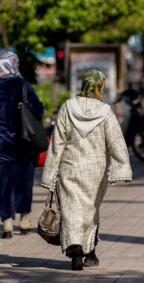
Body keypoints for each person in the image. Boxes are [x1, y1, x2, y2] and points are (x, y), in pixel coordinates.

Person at [40, 69, 132, 271]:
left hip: (69, 168)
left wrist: (49, 175)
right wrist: (122, 168)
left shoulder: (67, 108)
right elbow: (116, 142)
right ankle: (88, 252)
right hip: (96, 172)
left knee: (72, 210)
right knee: (90, 210)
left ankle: (75, 250)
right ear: (100, 87)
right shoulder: (105, 111)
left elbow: (57, 144)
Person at [0, 50, 44, 239]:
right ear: (14, 65)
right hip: (24, 143)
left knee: (3, 184)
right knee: (24, 182)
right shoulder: (24, 86)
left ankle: (7, 222)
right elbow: (38, 110)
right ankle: (24, 220)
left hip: (1, 145)